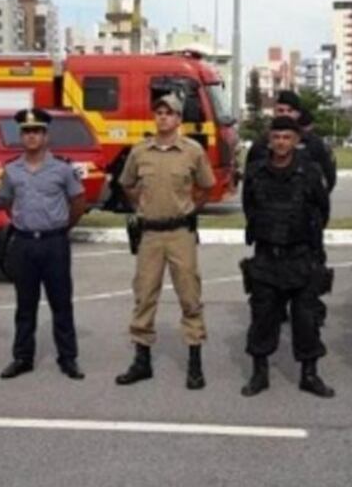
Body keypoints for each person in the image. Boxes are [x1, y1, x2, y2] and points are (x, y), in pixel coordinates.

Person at [115, 94, 216, 389]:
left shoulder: (192, 151)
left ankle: (195, 362)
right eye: (158, 112)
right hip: (150, 234)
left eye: (169, 113)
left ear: (178, 119)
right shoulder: (140, 151)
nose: (163, 117)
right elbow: (128, 184)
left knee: (189, 296)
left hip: (180, 234)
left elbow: (206, 188)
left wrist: (187, 211)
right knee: (144, 295)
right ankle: (141, 360)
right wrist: (142, 206)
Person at [0, 108, 87, 380]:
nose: (31, 137)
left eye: (36, 131)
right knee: (25, 305)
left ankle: (68, 359)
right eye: (27, 132)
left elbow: (78, 202)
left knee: (61, 304)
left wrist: (62, 226)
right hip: (23, 244)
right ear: (22, 136)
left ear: (45, 136)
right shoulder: (11, 170)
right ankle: (22, 358)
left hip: (54, 244)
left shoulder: (62, 169)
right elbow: (4, 201)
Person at [240, 116, 334, 398]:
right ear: (270, 139)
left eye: (287, 137)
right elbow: (250, 208)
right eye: (277, 137)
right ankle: (260, 373)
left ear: (296, 140)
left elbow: (322, 210)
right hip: (267, 256)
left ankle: (309, 374)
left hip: (301, 256)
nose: (281, 142)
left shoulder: (310, 172)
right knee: (263, 316)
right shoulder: (256, 172)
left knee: (306, 318)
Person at [246, 90, 336, 193]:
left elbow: (328, 179)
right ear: (275, 112)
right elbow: (249, 182)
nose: (285, 114)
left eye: (290, 111)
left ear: (297, 114)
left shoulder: (314, 144)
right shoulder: (261, 145)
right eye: (281, 110)